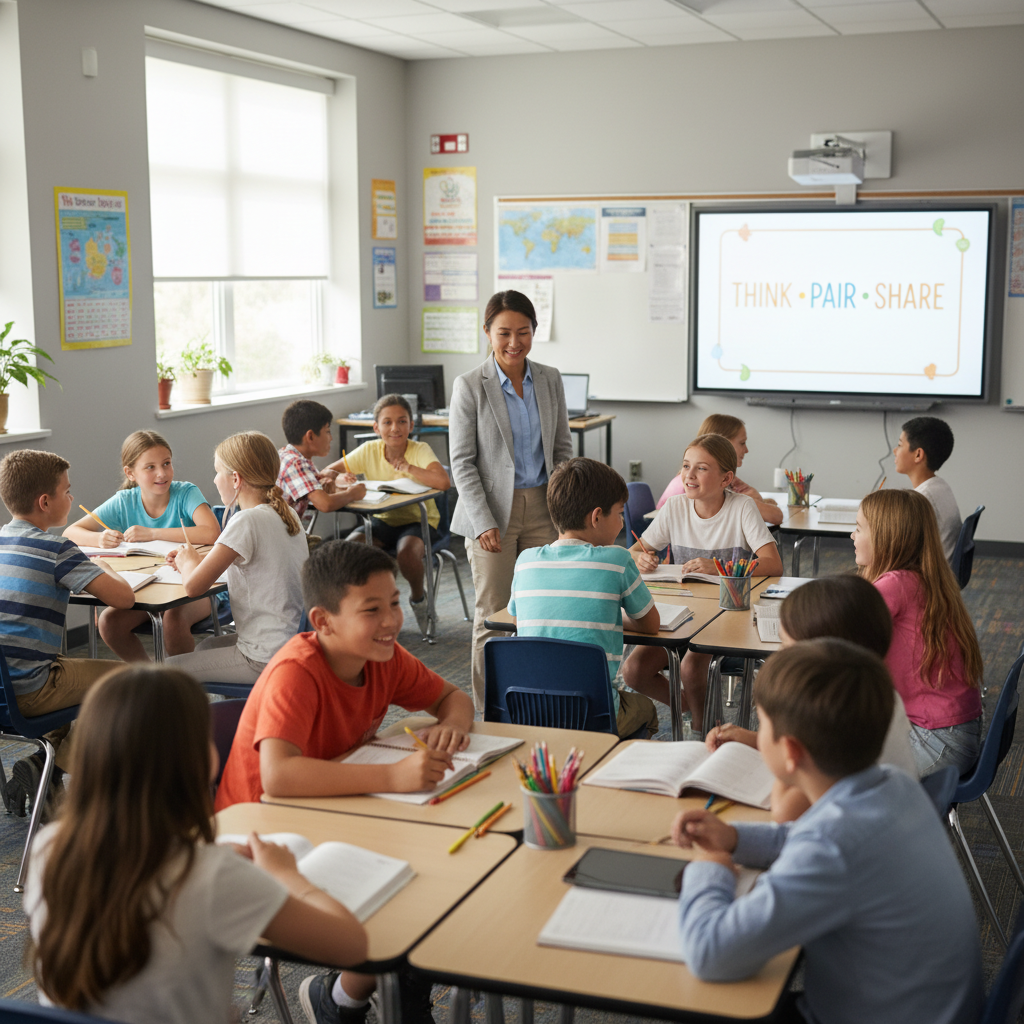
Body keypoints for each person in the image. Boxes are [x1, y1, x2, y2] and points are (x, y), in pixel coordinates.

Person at [215, 540, 472, 1024]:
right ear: (323, 621)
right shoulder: (298, 672)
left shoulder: (384, 657)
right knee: (413, 886)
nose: (392, 621)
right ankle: (373, 998)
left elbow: (453, 696)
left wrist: (452, 727)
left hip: (336, 806)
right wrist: (394, 776)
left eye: (395, 603)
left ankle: (343, 999)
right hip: (265, 833)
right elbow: (279, 775)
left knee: (438, 869)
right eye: (371, 610)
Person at [24, 665, 368, 1024]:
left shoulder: (49, 848)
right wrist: (285, 874)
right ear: (199, 759)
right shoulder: (211, 876)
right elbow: (351, 945)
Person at [673, 639, 983, 1024]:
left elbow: (710, 954)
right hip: (927, 1007)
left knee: (711, 1004)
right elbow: (801, 839)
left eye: (761, 721)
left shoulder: (834, 846)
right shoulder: (891, 784)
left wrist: (713, 863)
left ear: (790, 752)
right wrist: (734, 840)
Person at [704, 575, 918, 822]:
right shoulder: (874, 694)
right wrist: (754, 740)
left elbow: (785, 811)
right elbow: (807, 752)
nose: (779, 654)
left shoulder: (836, 715)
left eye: (786, 644)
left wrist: (773, 735)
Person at [449, 290, 573, 709]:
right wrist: (483, 521)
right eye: (504, 332)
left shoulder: (550, 378)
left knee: (540, 608)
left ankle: (536, 702)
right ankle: (490, 711)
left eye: (523, 332)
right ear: (488, 333)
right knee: (495, 615)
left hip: (543, 506)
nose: (514, 342)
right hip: (490, 513)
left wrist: (563, 508)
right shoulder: (469, 385)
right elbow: (462, 463)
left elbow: (562, 449)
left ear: (534, 332)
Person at [0, 450, 135, 816]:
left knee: (67, 669)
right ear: (45, 502)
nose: (72, 499)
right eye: (67, 492)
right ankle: (49, 767)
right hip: (29, 690)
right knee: (129, 682)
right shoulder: (57, 548)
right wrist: (105, 565)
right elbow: (122, 598)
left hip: (3, 687)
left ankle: (41, 772)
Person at [623, 433, 783, 728]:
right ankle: (697, 708)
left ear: (726, 479)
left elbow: (774, 563)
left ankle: (703, 727)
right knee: (633, 670)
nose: (689, 475)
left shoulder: (742, 508)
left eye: (701, 468)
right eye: (686, 466)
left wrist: (720, 567)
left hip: (726, 613)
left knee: (692, 667)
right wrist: (639, 559)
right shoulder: (674, 507)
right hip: (683, 613)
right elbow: (635, 550)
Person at [508, 457, 661, 737]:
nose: (621, 523)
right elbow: (651, 625)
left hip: (529, 711)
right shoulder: (617, 559)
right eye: (619, 514)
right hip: (593, 715)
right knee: (646, 710)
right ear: (596, 516)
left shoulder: (525, 561)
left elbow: (519, 621)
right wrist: (611, 618)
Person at [854, 488, 983, 775]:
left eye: (858, 528)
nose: (852, 536)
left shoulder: (895, 585)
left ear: (885, 537)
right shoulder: (926, 577)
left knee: (828, 766)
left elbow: (843, 636)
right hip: (954, 731)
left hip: (936, 740)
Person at [62, 430, 221, 661]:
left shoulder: (186, 492)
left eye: (166, 463)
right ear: (130, 473)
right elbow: (70, 532)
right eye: (150, 467)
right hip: (149, 587)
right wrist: (100, 538)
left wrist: (152, 533)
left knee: (172, 621)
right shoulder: (124, 501)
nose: (162, 473)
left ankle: (186, 688)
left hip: (195, 586)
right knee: (108, 623)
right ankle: (154, 681)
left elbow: (211, 533)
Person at [165, 431, 307, 685]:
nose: (215, 479)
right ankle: (238, 716)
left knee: (167, 672)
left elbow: (193, 586)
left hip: (264, 655)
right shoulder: (284, 512)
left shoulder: (246, 520)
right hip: (290, 641)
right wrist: (194, 563)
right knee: (205, 648)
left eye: (218, 472)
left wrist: (187, 561)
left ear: (235, 479)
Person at [342, 394, 450, 635]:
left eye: (402, 421)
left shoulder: (419, 449)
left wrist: (409, 468)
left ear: (411, 426)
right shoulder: (369, 450)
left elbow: (443, 482)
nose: (395, 428)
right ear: (376, 427)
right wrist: (340, 477)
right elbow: (328, 472)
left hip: (419, 522)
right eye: (387, 422)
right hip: (381, 520)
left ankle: (418, 598)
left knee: (406, 553)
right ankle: (368, 609)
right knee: (350, 550)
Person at [657, 413, 783, 526]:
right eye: (742, 443)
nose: (746, 450)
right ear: (723, 443)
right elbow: (769, 512)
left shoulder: (721, 476)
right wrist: (747, 503)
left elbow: (765, 506)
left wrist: (749, 502)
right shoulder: (692, 485)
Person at [277, 400, 367, 525]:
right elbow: (325, 504)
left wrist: (332, 479)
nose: (331, 438)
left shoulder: (291, 457)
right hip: (276, 535)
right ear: (311, 436)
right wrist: (351, 494)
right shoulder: (295, 463)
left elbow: (323, 493)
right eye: (328, 431)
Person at [893, 415, 962, 561]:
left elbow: (898, 553)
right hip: (943, 575)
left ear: (918, 454)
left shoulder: (921, 500)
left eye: (900, 445)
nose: (895, 451)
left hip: (927, 579)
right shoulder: (941, 487)